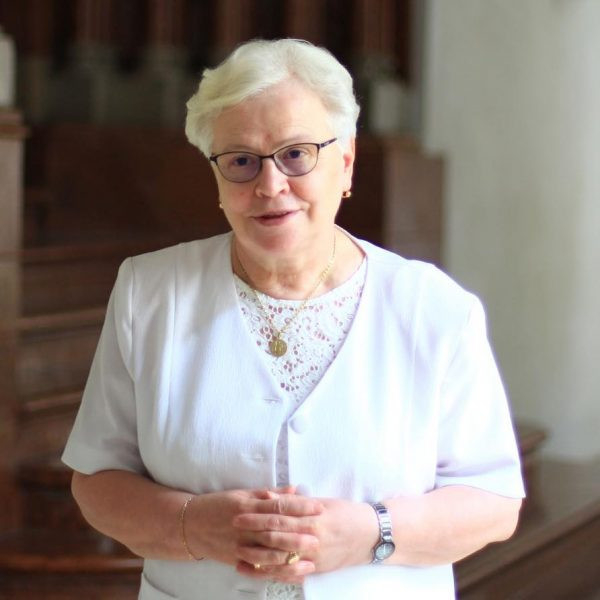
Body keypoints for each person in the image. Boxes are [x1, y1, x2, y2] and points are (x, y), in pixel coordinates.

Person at [62, 38, 525, 600]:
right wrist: (192, 525)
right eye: (241, 161)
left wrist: (371, 534)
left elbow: (494, 501)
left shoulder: (434, 308)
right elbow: (96, 480)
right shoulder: (149, 292)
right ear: (216, 176)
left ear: (345, 162)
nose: (270, 185)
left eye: (296, 154)